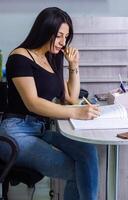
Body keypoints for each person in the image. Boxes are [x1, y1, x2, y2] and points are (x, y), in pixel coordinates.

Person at [0, 7, 100, 200]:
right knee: (74, 170)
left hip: (40, 129)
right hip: (16, 132)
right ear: (45, 30)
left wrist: (74, 66)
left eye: (67, 36)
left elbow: (71, 98)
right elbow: (33, 103)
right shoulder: (19, 57)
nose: (64, 42)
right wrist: (77, 113)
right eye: (59, 35)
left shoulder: (51, 59)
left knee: (86, 151)